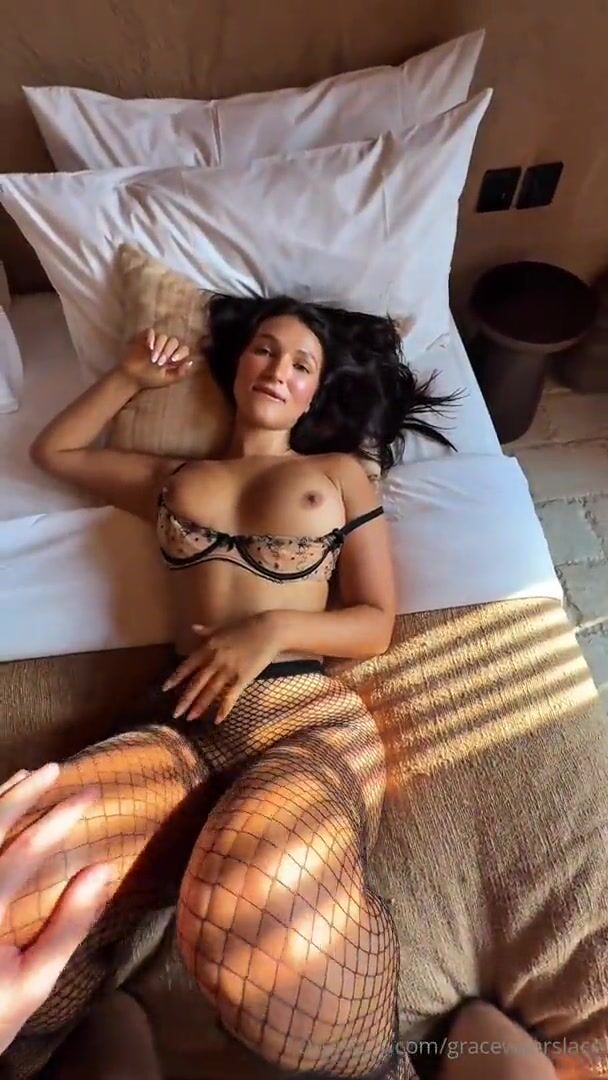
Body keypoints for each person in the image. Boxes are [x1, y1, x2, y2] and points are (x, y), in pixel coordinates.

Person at [2, 295, 462, 1080]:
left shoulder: (339, 474)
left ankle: (378, 1068)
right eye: (263, 350)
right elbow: (58, 452)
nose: (278, 369)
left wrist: (273, 628)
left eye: (301, 363)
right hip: (184, 726)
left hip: (303, 719)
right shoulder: (175, 478)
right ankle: (35, 1046)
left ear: (315, 394)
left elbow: (374, 623)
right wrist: (129, 377)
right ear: (237, 368)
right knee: (24, 860)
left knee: (256, 911)